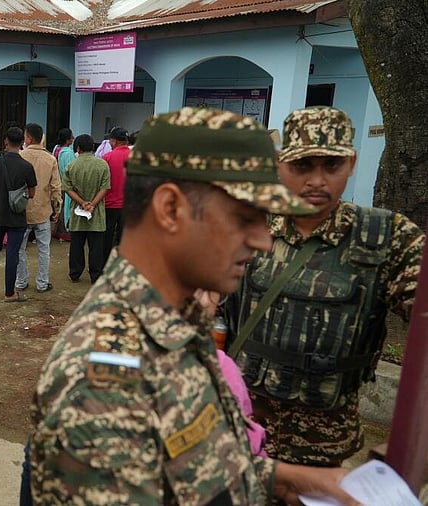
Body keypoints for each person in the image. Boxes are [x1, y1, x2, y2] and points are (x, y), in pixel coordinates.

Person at [28, 107, 359, 506]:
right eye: (245, 218)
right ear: (170, 209)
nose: (263, 241)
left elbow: (196, 463)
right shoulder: (102, 387)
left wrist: (296, 481)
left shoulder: (177, 318)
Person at [226, 106, 426, 467]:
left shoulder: (386, 238)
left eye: (331, 166)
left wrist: (413, 442)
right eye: (302, 166)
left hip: (323, 448)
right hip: (241, 436)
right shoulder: (247, 225)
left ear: (351, 163)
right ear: (280, 164)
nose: (317, 181)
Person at [0, 127, 37, 302]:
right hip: (16, 217)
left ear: (5, 141)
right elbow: (32, 193)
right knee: (12, 253)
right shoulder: (27, 167)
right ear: (22, 142)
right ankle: (9, 292)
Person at [16, 123, 61, 293]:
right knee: (44, 250)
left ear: (28, 138)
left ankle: (21, 281)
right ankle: (42, 283)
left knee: (20, 249)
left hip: (22, 211)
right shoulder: (50, 159)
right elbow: (56, 188)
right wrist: (57, 209)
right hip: (43, 211)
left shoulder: (20, 156)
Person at [63, 134, 110, 283]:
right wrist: (93, 204)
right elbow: (105, 188)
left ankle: (75, 273)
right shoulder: (102, 165)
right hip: (96, 213)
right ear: (93, 147)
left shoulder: (72, 165)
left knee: (77, 244)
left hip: (78, 211)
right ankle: (95, 275)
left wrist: (82, 203)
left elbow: (68, 188)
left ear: (78, 148)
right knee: (96, 246)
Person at [101, 127, 131, 250]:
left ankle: (104, 264)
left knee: (106, 236)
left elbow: (102, 183)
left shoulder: (107, 157)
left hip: (110, 204)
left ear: (113, 141)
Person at [51, 128, 75, 242]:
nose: (73, 138)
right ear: (67, 139)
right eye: (71, 137)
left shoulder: (56, 149)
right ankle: (64, 233)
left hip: (57, 182)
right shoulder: (68, 153)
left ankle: (57, 231)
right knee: (66, 208)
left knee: (58, 208)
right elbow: (70, 170)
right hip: (65, 184)